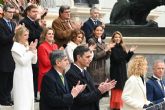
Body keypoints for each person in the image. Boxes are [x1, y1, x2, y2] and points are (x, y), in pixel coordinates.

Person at [65, 45, 117, 110]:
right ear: (78, 57)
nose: (90, 59)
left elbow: (91, 89)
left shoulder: (84, 71)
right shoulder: (71, 74)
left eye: (90, 56)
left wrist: (103, 88)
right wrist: (99, 90)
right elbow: (80, 99)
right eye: (87, 57)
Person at [20, 4, 43, 101]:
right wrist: (39, 31)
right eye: (34, 11)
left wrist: (39, 31)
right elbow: (32, 35)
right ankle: (29, 95)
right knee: (29, 73)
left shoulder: (36, 22)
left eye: (37, 12)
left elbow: (41, 33)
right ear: (28, 12)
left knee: (35, 73)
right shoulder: (24, 21)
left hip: (34, 51)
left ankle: (33, 95)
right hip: (27, 50)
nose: (36, 13)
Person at [11, 25, 37, 110]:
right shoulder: (15, 48)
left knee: (29, 96)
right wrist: (30, 52)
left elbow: (34, 61)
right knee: (22, 97)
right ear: (19, 36)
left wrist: (34, 51)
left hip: (28, 73)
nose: (27, 37)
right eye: (25, 35)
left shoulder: (26, 46)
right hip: (20, 75)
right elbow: (22, 62)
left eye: (28, 35)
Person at [109, 31, 136, 110]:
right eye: (116, 37)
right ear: (113, 38)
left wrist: (130, 52)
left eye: (119, 37)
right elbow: (117, 59)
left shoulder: (122, 47)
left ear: (121, 38)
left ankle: (120, 107)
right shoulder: (112, 47)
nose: (117, 38)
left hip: (122, 71)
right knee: (117, 88)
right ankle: (115, 107)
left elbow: (125, 60)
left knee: (122, 88)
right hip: (115, 72)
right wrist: (125, 54)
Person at [0, 3, 16, 106]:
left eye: (13, 12)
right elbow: (3, 40)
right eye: (9, 12)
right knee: (3, 79)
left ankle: (8, 98)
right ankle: (2, 99)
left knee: (10, 79)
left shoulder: (13, 24)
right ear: (4, 12)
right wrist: (14, 33)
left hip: (13, 56)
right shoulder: (0, 23)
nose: (11, 14)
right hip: (3, 55)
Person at [37, 27, 59, 93]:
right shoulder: (42, 47)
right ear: (44, 35)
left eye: (52, 34)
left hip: (55, 73)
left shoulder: (55, 46)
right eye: (49, 34)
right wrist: (57, 61)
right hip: (46, 74)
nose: (51, 35)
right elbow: (46, 63)